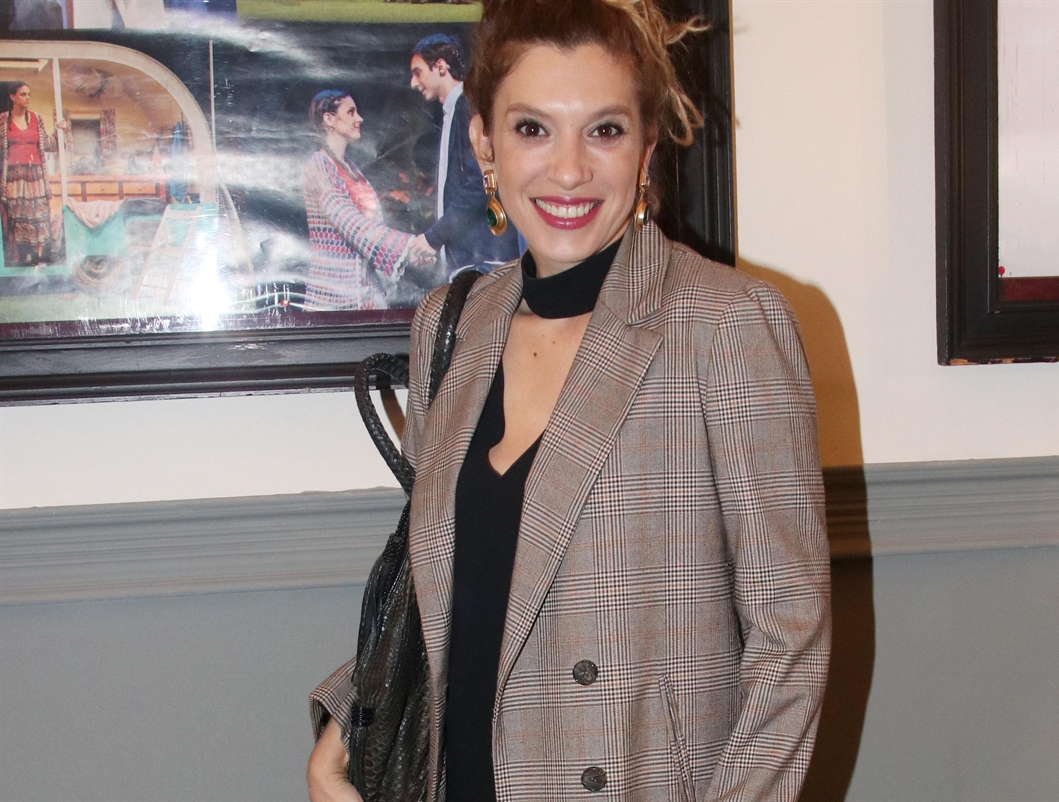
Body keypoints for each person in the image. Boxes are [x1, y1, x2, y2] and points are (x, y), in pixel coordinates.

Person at [308, 0, 830, 799]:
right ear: (485, 143)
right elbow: (447, 589)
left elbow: (789, 641)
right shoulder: (451, 324)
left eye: (604, 131)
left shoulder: (723, 324)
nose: (569, 170)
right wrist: (345, 727)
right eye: (532, 129)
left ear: (646, 149)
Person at [407, 33, 521, 277]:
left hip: (484, 261)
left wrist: (434, 237)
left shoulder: (468, 107)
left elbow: (480, 182)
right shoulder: (455, 111)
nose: (413, 83)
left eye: (418, 72)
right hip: (471, 261)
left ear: (440, 67)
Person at [302, 89, 417, 311]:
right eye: (351, 112)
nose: (359, 118)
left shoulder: (352, 169)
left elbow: (374, 224)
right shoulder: (318, 166)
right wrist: (408, 246)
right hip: (333, 299)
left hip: (365, 292)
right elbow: (350, 223)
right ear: (329, 119)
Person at [1, 81, 66, 267]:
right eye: (23, 94)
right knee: (16, 216)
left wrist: (59, 131)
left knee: (38, 215)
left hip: (36, 175)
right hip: (14, 176)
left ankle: (37, 256)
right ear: (12, 97)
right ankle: (22, 257)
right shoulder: (3, 120)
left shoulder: (36, 118)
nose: (27, 98)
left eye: (29, 94)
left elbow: (48, 145)